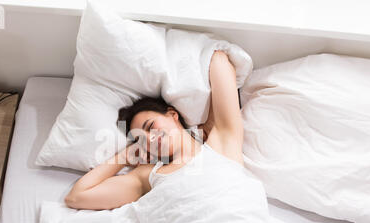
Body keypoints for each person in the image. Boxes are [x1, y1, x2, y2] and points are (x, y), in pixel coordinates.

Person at [65, 50, 243, 210]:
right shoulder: (148, 176)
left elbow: (219, 59)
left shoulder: (221, 142)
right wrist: (124, 157)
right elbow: (76, 197)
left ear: (172, 114)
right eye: (141, 140)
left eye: (150, 127)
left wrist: (209, 122)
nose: (149, 139)